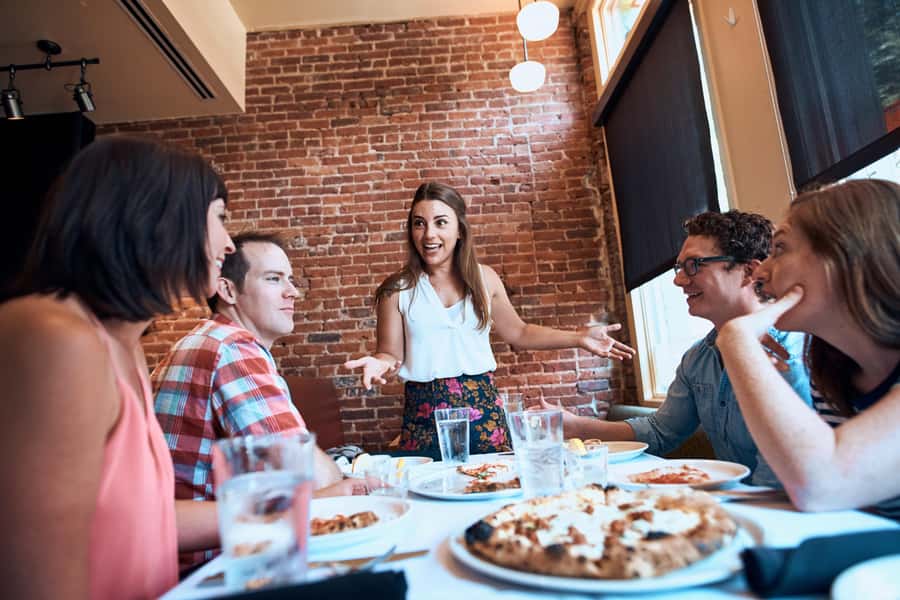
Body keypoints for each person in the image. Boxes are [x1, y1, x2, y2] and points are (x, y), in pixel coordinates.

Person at [0, 136, 233, 599]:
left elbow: (144, 520)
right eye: (221, 218)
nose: (229, 243)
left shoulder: (125, 345)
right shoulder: (54, 335)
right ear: (157, 217)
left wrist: (296, 510)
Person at [344, 182, 635, 457]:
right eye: (419, 223)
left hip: (485, 414)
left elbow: (519, 332)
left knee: (493, 485)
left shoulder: (485, 279)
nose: (429, 234)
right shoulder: (396, 290)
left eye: (440, 222)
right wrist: (379, 363)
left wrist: (579, 337)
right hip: (424, 419)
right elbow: (389, 353)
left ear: (460, 230)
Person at [552, 211, 812, 486]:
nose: (678, 280)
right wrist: (575, 426)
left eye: (694, 265)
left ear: (748, 272)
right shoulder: (697, 359)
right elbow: (662, 430)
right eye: (680, 268)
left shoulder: (793, 353)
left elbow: (781, 482)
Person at [152, 231, 345, 571]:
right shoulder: (232, 348)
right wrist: (340, 480)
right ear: (228, 291)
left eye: (290, 279)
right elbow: (309, 477)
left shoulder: (200, 340)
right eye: (274, 279)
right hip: (209, 566)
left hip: (173, 557)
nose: (292, 292)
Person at [717, 179, 899, 515]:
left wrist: (737, 341)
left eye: (780, 248)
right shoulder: (832, 368)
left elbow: (821, 486)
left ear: (847, 254)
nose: (761, 272)